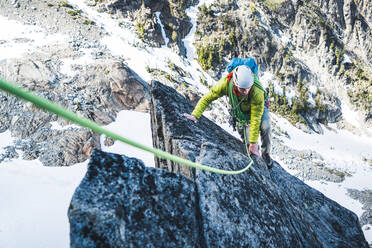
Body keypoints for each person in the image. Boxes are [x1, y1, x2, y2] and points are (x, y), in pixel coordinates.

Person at [184, 64, 273, 167]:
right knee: (248, 146)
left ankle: (266, 156)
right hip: (240, 113)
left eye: (248, 88)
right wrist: (195, 115)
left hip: (258, 110)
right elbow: (208, 97)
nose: (246, 91)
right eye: (242, 89)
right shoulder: (225, 83)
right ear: (235, 83)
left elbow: (256, 117)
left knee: (266, 127)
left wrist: (254, 143)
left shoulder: (257, 91)